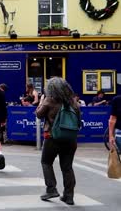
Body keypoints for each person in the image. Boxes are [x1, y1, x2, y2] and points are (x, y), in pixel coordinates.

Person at [36, 77, 80, 206]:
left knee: (46, 162)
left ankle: (51, 189)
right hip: (70, 139)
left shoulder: (50, 100)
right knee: (67, 167)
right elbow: (78, 119)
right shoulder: (73, 102)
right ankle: (69, 196)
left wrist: (41, 101)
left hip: (52, 137)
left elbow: (38, 114)